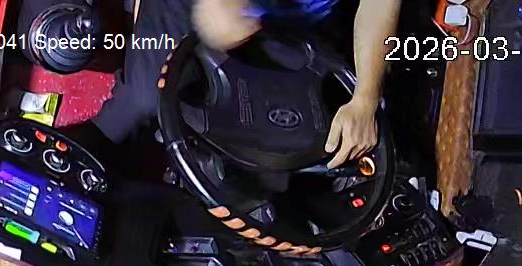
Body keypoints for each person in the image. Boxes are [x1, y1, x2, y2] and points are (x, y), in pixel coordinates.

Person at [89, 0, 401, 169]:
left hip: (292, 25)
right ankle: (83, 158)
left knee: (297, 140)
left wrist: (365, 99)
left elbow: (380, 5)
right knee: (144, 99)